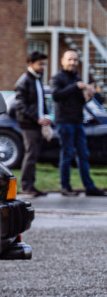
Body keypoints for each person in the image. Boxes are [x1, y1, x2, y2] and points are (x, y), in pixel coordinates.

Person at [51, 50, 105, 197]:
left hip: (78, 121)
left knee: (83, 155)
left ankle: (89, 187)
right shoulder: (57, 78)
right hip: (64, 122)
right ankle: (65, 187)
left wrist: (89, 95)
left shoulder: (77, 78)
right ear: (63, 61)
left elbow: (80, 101)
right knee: (67, 154)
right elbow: (56, 95)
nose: (73, 62)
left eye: (75, 60)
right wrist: (76, 86)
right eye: (70, 59)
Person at [12, 51, 52, 199]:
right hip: (29, 124)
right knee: (30, 154)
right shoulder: (25, 81)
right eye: (40, 64)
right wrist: (37, 118)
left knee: (33, 155)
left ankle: (31, 186)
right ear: (30, 64)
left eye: (44, 64)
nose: (43, 67)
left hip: (35, 122)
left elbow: (40, 102)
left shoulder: (36, 79)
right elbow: (20, 106)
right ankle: (26, 187)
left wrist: (45, 116)